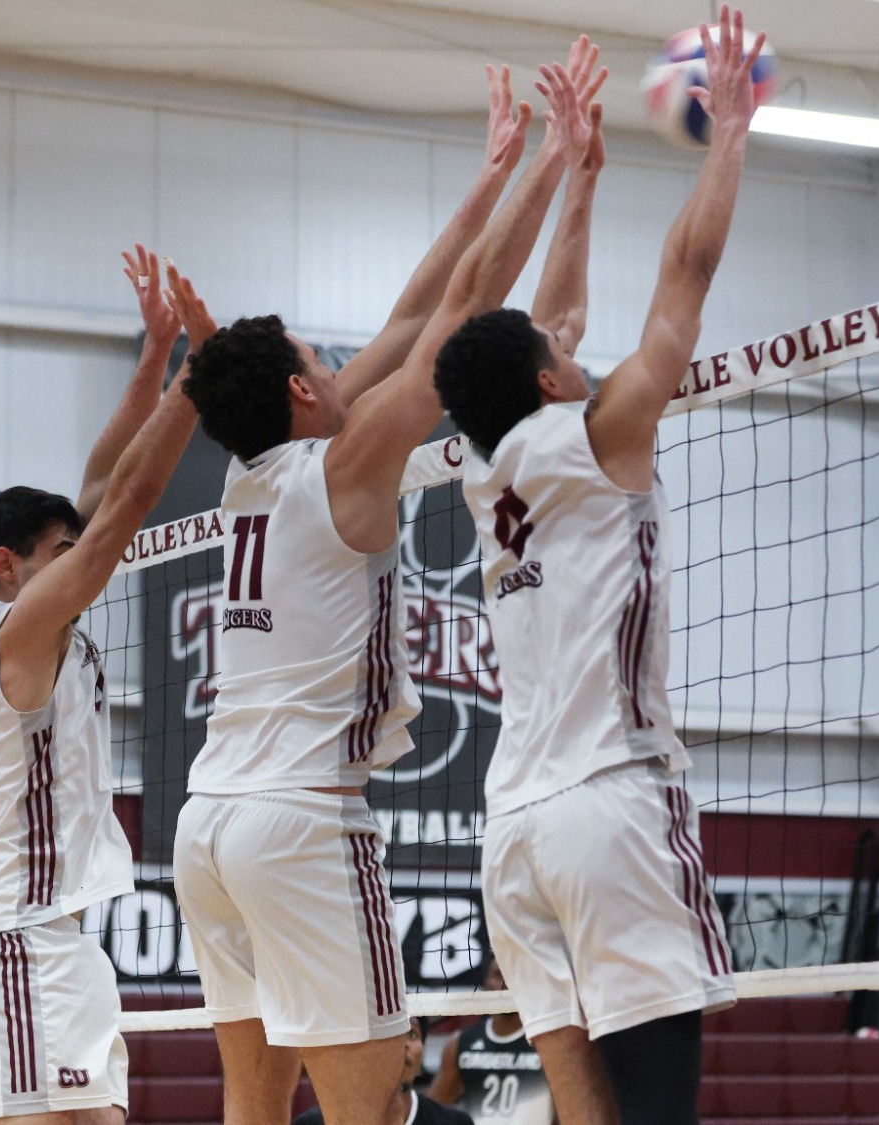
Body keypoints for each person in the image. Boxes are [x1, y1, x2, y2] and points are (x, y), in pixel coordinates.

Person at [173, 45, 604, 1125]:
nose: (341, 363)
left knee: (252, 1110)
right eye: (324, 359)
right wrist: (553, 160)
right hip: (301, 821)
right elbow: (456, 325)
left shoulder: (250, 471)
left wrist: (493, 166)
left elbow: (419, 307)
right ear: (300, 395)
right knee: (374, 1111)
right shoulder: (344, 468)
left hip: (207, 821)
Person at [428, 7, 764, 1124]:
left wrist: (577, 176)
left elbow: (549, 320)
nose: (573, 349)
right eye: (559, 357)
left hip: (512, 828)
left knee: (583, 1111)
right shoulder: (601, 430)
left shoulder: (483, 472)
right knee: (656, 1110)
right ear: (546, 384)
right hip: (610, 803)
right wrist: (728, 135)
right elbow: (685, 269)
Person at [0, 248, 213, 1125]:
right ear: (7, 565)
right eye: (62, 551)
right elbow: (128, 498)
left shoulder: (46, 620)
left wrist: (155, 354)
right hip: (13, 936)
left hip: (59, 935)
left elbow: (102, 489)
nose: (85, 558)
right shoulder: (15, 633)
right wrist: (200, 379)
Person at [428, 958, 554, 1124]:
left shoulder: (548, 1042)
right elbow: (431, 1112)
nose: (506, 984)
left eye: (513, 976)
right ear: (487, 983)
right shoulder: (461, 1043)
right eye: (499, 975)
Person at [293, 1018, 477, 1125]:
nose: (399, 1046)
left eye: (411, 1034)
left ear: (423, 1048)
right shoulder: (312, 1123)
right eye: (389, 1036)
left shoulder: (454, 1122)